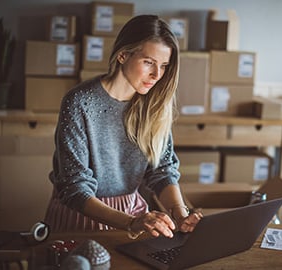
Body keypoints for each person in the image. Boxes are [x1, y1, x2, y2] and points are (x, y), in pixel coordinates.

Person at [44, 14, 202, 239]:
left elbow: (162, 171)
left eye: (164, 66)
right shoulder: (79, 102)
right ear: (123, 55)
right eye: (149, 62)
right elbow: (74, 189)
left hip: (134, 214)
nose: (157, 75)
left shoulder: (154, 105)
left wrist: (180, 214)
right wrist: (131, 223)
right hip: (80, 218)